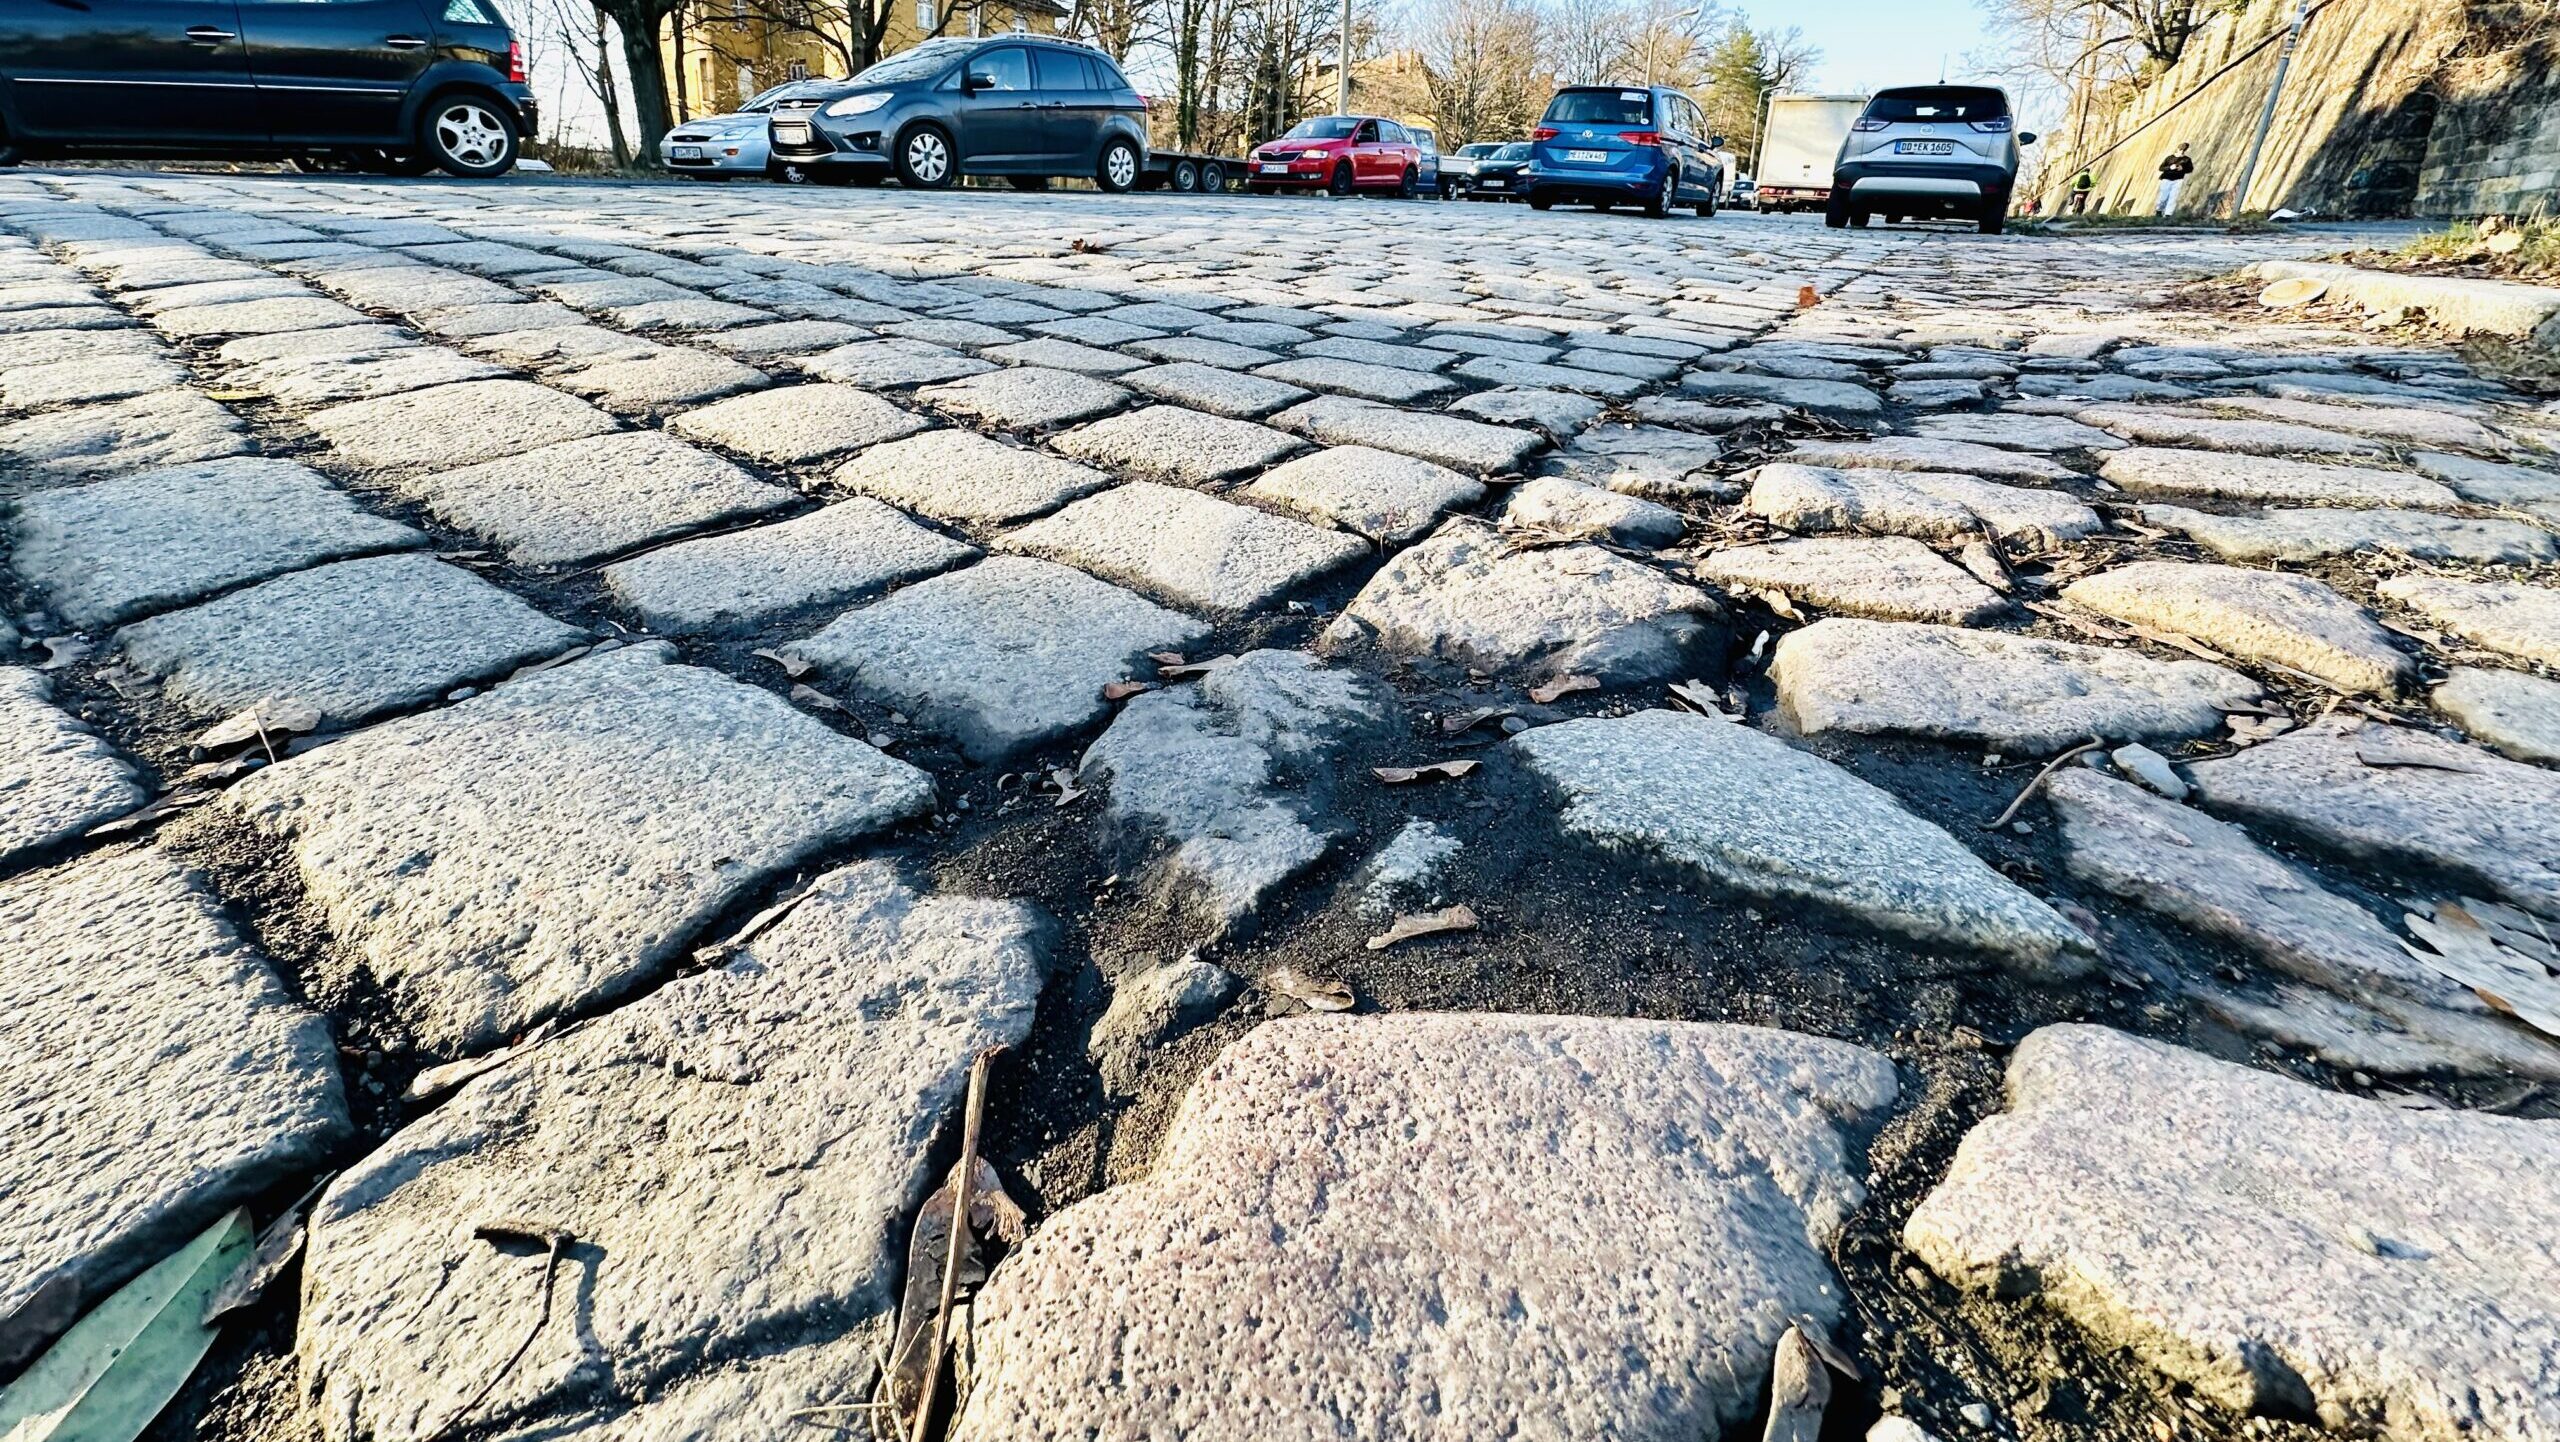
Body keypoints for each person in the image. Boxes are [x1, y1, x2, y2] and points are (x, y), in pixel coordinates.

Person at [2156, 144, 2195, 215]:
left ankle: (2168, 214)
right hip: (2166, 179)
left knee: (2173, 197)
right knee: (2163, 197)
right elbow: (2161, 168)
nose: (2181, 151)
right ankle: (2159, 211)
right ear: (2177, 149)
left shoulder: (2187, 159)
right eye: (2180, 149)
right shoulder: (2169, 158)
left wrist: (2183, 168)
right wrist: (2170, 167)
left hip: (2178, 180)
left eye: (2183, 150)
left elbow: (2190, 169)